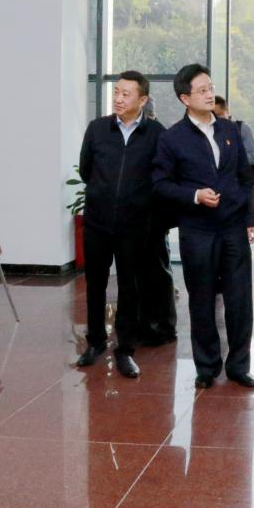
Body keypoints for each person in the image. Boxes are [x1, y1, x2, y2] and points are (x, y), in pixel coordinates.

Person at [153, 64, 254, 389]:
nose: (209, 94)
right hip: (197, 230)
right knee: (201, 299)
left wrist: (252, 219)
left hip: (233, 228)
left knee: (239, 300)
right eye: (201, 90)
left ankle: (239, 366)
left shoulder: (230, 130)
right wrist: (195, 195)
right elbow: (160, 183)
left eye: (210, 87)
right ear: (185, 98)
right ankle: (207, 366)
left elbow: (245, 177)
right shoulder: (172, 138)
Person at [76, 70, 165, 378]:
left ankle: (125, 348)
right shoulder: (97, 129)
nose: (118, 98)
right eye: (116, 92)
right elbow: (86, 169)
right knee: (95, 284)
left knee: (130, 288)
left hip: (135, 226)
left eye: (126, 94)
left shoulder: (156, 134)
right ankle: (95, 342)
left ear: (142, 99)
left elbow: (160, 178)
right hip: (97, 223)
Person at [138, 95, 177, 346]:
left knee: (157, 270)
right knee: (143, 271)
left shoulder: (159, 135)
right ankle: (146, 323)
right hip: (136, 215)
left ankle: (163, 325)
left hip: (153, 214)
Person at [214, 95, 254, 178]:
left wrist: (229, 157)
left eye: (219, 115)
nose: (217, 119)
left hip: (239, 180)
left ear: (227, 111)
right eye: (213, 116)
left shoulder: (242, 128)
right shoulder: (207, 132)